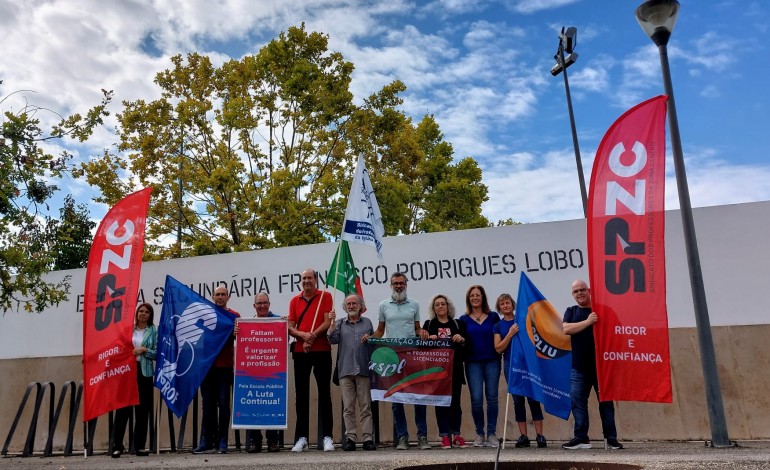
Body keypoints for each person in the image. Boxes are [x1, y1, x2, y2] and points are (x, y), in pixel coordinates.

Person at [368, 272, 430, 450]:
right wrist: (370, 338)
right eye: (395, 283)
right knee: (397, 400)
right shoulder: (383, 305)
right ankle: (402, 437)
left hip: (412, 356)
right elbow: (380, 331)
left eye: (401, 283)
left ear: (406, 285)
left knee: (419, 399)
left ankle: (422, 437)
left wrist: (423, 332)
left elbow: (417, 329)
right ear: (391, 285)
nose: (398, 286)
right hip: (393, 358)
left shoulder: (414, 304)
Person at [561, 280, 623, 450]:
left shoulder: (603, 310)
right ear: (573, 295)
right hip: (579, 367)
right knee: (578, 402)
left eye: (582, 290)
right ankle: (581, 438)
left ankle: (611, 439)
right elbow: (566, 329)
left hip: (602, 368)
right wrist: (588, 322)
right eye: (576, 291)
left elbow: (617, 332)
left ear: (589, 291)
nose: (579, 293)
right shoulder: (571, 311)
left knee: (606, 403)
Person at [287, 268, 334, 452]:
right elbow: (290, 327)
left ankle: (327, 437)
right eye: (304, 278)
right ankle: (301, 438)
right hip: (300, 352)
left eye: (309, 278)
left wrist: (311, 336)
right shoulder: (294, 300)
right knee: (301, 395)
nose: (306, 281)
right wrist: (303, 336)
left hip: (322, 350)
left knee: (324, 393)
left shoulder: (326, 296)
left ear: (316, 279)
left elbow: (327, 322)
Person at [493, 293, 546, 449]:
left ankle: (540, 436)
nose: (505, 306)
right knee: (517, 401)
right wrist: (510, 334)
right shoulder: (498, 326)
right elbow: (498, 348)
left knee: (533, 399)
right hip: (511, 364)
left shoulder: (523, 320)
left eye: (507, 303)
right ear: (499, 308)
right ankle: (523, 436)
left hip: (528, 363)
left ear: (513, 304)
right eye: (502, 304)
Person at [193, 286, 240, 454]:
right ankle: (206, 441)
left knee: (223, 404)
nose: (220, 297)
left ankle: (223, 441)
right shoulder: (205, 314)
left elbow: (241, 337)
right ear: (212, 297)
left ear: (228, 297)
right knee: (208, 405)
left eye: (223, 294)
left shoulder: (234, 317)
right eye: (217, 294)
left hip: (225, 367)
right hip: (206, 367)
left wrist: (237, 333)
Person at [328, 294, 376, 452]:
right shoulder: (340, 323)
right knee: (348, 408)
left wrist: (370, 337)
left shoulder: (367, 322)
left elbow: (374, 342)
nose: (351, 306)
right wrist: (331, 322)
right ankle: (350, 438)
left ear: (360, 306)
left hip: (363, 369)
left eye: (354, 303)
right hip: (345, 370)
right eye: (348, 304)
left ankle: (368, 438)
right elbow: (332, 339)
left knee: (365, 406)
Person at [111, 303, 157, 458]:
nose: (143, 314)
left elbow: (158, 353)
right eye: (141, 311)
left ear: (150, 315)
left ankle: (139, 447)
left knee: (142, 410)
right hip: (127, 372)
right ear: (137, 313)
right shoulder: (127, 330)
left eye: (147, 312)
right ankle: (117, 446)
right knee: (123, 409)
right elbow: (117, 348)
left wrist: (145, 350)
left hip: (144, 373)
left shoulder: (153, 331)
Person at [422, 294, 468, 450]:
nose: (440, 306)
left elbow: (467, 346)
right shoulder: (428, 325)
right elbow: (421, 348)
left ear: (448, 306)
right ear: (433, 308)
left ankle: (457, 435)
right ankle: (445, 436)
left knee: (456, 403)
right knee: (441, 403)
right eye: (437, 304)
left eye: (443, 304)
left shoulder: (458, 324)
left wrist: (461, 340)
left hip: (455, 370)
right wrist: (429, 340)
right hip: (437, 372)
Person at [458, 284, 501, 448]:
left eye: (478, 295)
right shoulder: (463, 319)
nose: (475, 298)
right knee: (476, 399)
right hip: (472, 363)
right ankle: (479, 434)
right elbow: (461, 340)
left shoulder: (493, 316)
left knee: (492, 398)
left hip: (492, 361)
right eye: (472, 296)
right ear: (469, 299)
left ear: (483, 297)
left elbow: (501, 334)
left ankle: (491, 434)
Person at [243, 293, 281, 453]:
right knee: (254, 404)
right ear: (254, 306)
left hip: (272, 370)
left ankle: (272, 441)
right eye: (259, 303)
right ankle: (254, 442)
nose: (262, 306)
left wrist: (284, 326)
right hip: (253, 370)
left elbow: (283, 341)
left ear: (269, 304)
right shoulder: (247, 324)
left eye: (265, 303)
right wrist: (238, 332)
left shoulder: (278, 321)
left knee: (271, 404)